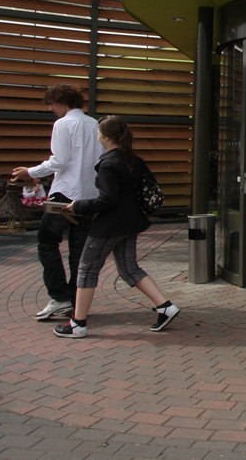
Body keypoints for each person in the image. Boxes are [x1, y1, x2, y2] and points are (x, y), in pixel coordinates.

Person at [53, 116, 180, 338]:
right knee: (129, 267)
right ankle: (165, 307)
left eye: (98, 132)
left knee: (87, 269)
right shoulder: (133, 159)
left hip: (109, 226)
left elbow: (108, 200)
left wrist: (77, 206)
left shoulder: (109, 164)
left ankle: (78, 324)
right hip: (131, 223)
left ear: (106, 137)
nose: (97, 135)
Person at [11, 84, 101, 321]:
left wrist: (30, 172)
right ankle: (75, 300)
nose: (51, 108)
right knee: (78, 249)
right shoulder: (95, 124)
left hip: (65, 193)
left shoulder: (63, 124)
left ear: (62, 102)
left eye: (52, 104)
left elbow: (59, 161)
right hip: (90, 194)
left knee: (47, 242)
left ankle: (59, 297)